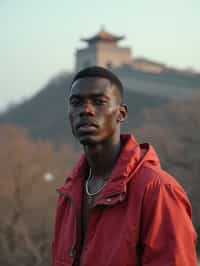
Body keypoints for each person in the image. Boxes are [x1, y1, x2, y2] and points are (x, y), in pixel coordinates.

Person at [52, 66, 198, 266]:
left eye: (99, 102)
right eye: (76, 102)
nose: (86, 110)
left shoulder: (158, 190)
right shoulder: (69, 194)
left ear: (121, 113)